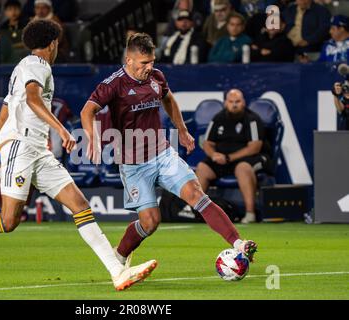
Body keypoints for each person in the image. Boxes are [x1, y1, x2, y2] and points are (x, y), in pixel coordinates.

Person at [0, 19, 157, 291]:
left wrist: (26, 139)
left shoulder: (24, 68)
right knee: (8, 222)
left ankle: (117, 272)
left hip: (35, 150)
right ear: (52, 43)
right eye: (58, 43)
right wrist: (57, 132)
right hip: (22, 148)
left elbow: (1, 119)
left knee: (79, 205)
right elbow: (32, 100)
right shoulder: (37, 65)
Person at [80, 33, 257, 269]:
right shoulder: (113, 84)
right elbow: (87, 111)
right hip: (133, 163)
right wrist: (92, 137)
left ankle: (238, 244)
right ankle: (120, 255)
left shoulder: (156, 77)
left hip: (162, 154)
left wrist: (182, 130)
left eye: (152, 61)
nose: (149, 67)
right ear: (129, 60)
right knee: (151, 222)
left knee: (196, 195)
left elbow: (168, 99)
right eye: (144, 63)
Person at [196, 89, 272, 223]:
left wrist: (229, 158)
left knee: (242, 168)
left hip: (250, 158)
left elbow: (255, 147)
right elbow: (207, 143)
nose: (234, 105)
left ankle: (250, 213)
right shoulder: (218, 118)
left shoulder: (252, 119)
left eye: (238, 101)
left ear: (243, 103)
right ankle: (197, 212)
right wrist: (214, 155)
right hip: (223, 160)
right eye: (231, 102)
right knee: (202, 168)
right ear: (226, 103)